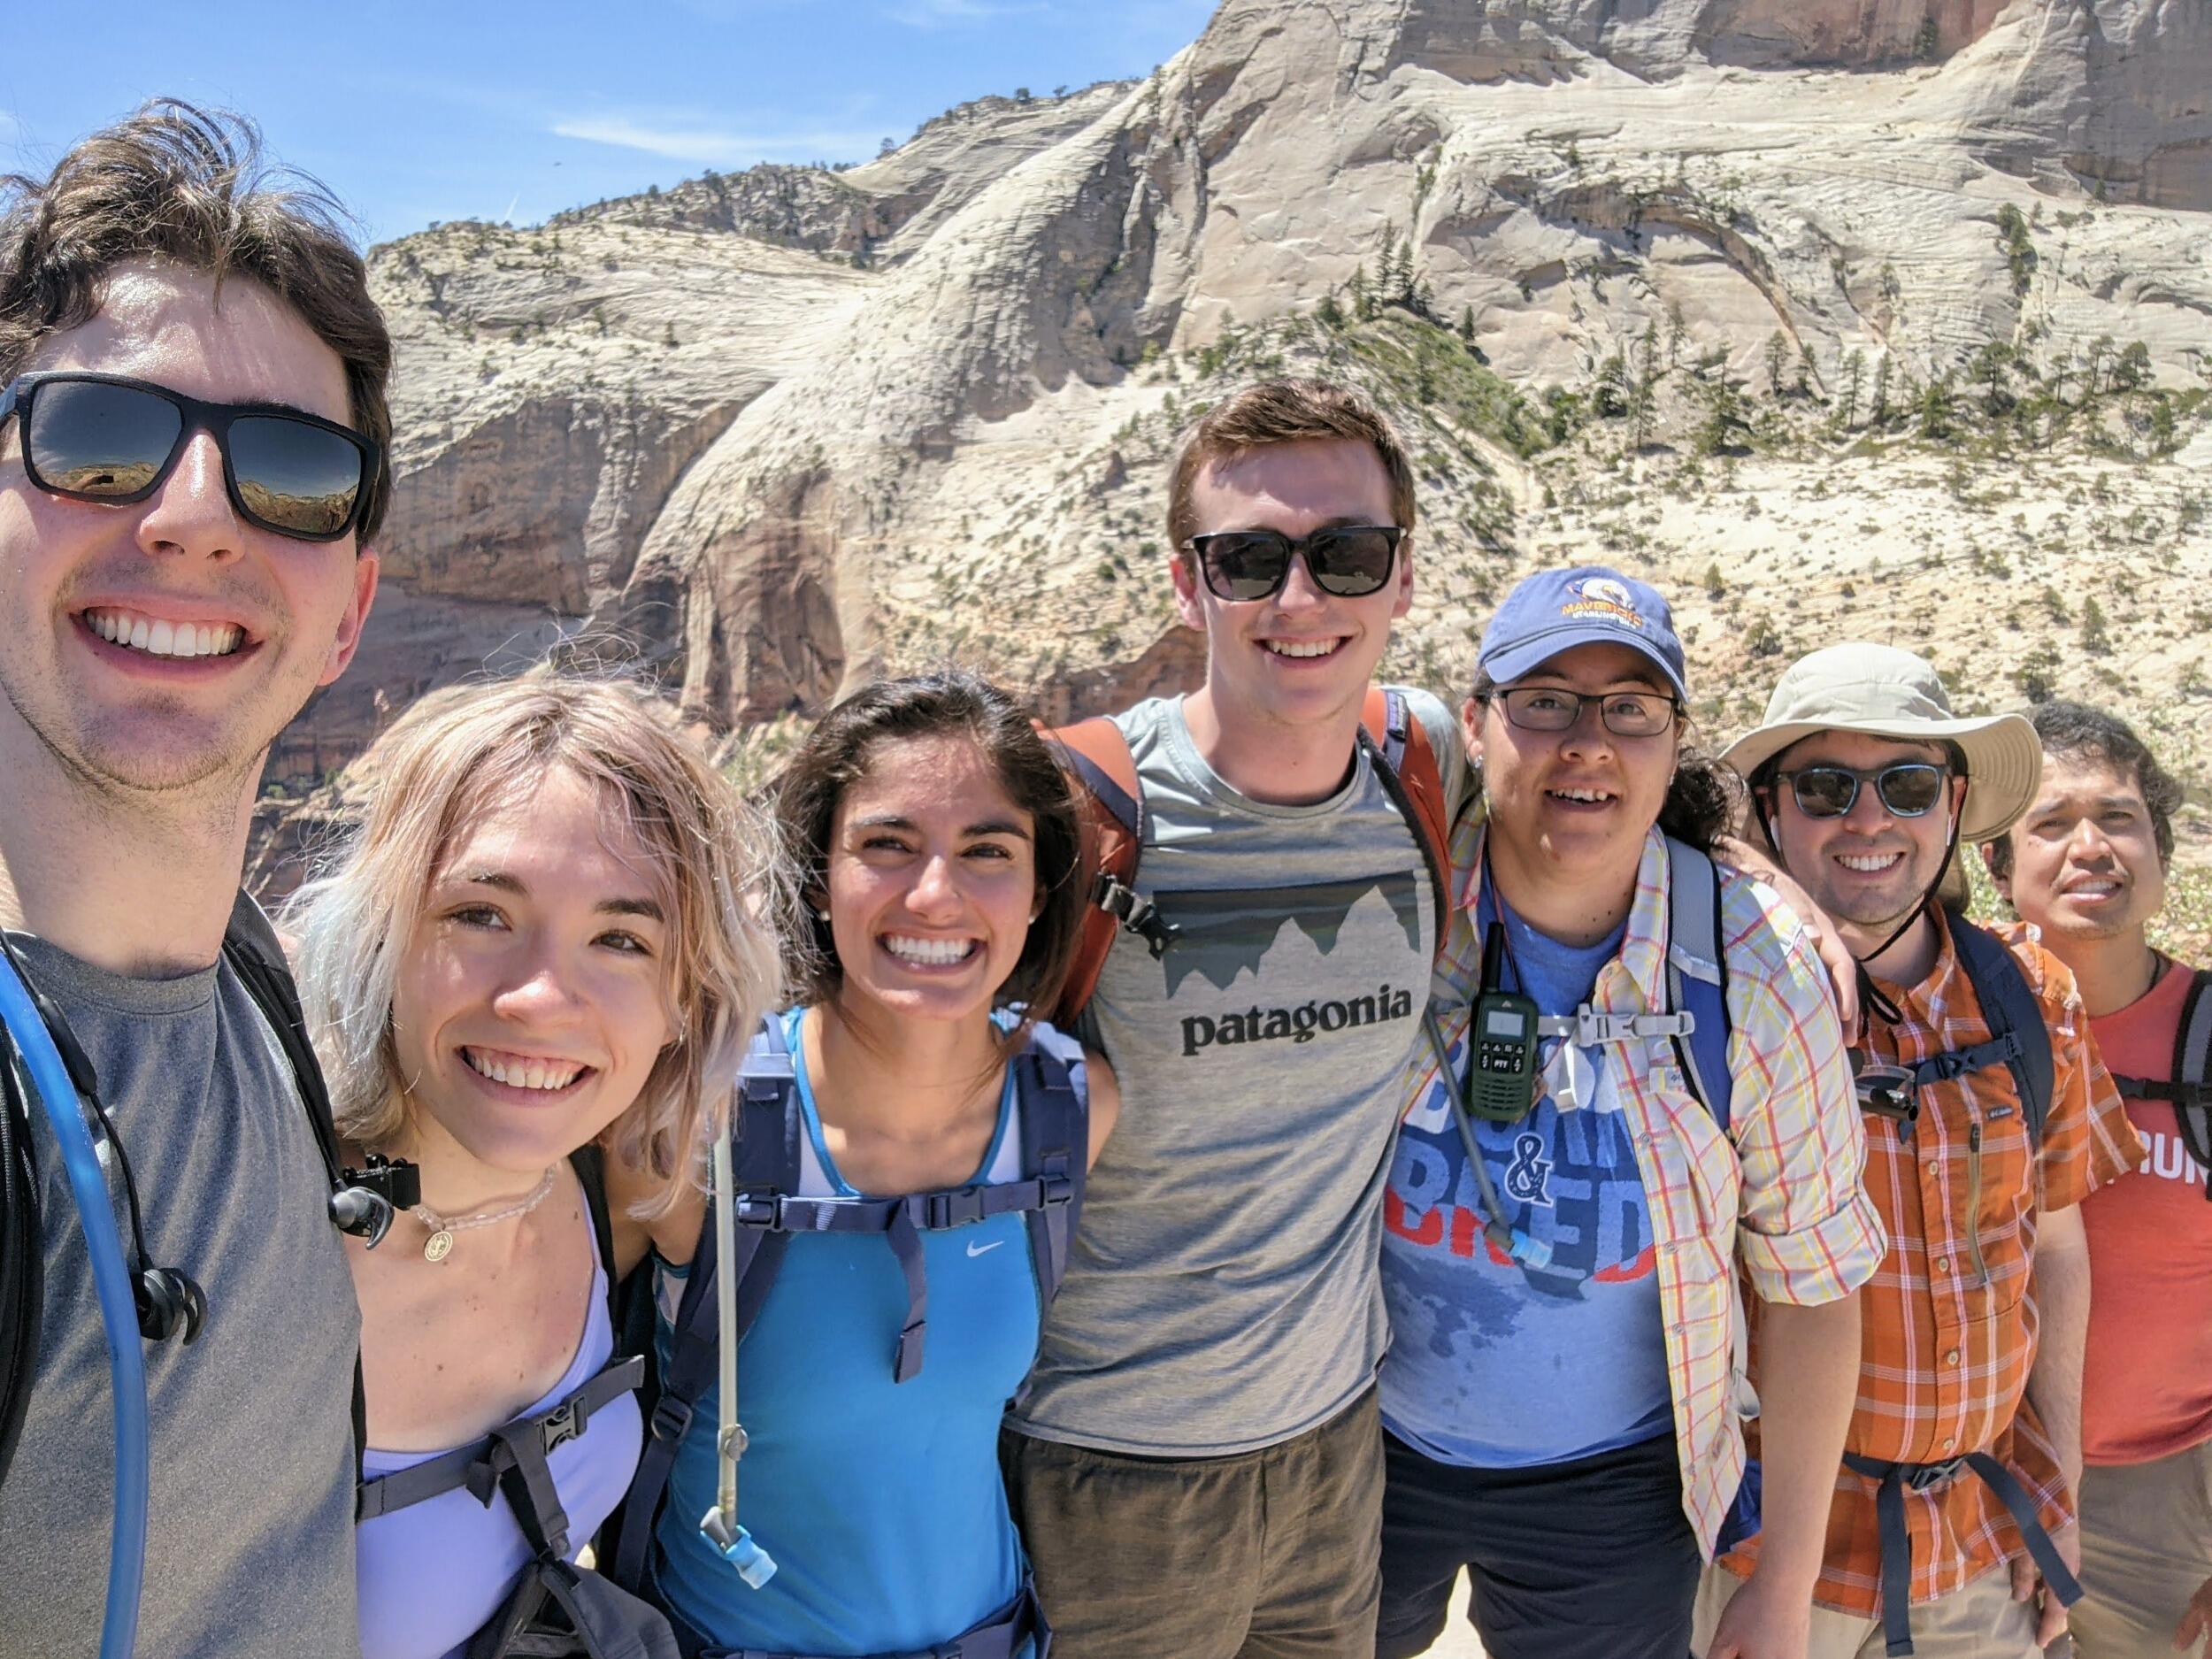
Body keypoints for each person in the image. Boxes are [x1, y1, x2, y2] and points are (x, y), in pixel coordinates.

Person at [0, 103, 386, 1657]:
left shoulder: (253, 981)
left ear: (352, 611)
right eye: (97, 438)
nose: (193, 517)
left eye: (292, 472)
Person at [1002, 378, 1469, 1659]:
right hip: (1106, 1468)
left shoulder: (1422, 766)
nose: (1300, 599)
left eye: (1346, 554)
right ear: (1186, 583)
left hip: (1336, 1450)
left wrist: (1763, 877)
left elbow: (1595, 815)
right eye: (1249, 560)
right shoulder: (1079, 806)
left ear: (1402, 578)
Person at [1377, 567, 1882, 1659]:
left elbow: (1813, 1290)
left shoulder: (1754, 968)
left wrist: (1783, 1584)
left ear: (1672, 741)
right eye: (1545, 702)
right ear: (1476, 724)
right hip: (1366, 1452)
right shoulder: (1395, 893)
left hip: (1617, 1486)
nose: (1587, 744)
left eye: (1630, 710)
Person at [610, 669, 1119, 1659]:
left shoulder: (1070, 1109)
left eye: (988, 851)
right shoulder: (694, 1127)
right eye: (887, 845)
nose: (935, 896)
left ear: (1037, 891)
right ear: (818, 876)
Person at [284, 676, 784, 1658]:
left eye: (621, 939)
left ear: (684, 1000)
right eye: (480, 914)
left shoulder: (606, 1189)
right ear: (383, 934)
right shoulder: (268, 1250)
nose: (540, 998)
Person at [1702, 646, 2144, 1659]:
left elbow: (2055, 1251)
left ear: (1952, 803)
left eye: (1904, 785)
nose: (1867, 820)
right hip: (1760, 1555)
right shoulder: (1719, 999)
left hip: (1979, 1540)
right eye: (1824, 787)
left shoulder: (2029, 1001)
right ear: (1771, 809)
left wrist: (2059, 1483)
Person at [1983, 701, 2212, 1659]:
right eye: (2051, 822)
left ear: (2160, 850)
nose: (2091, 846)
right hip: (1971, 1488)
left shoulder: (2205, 1036)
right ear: (1995, 863)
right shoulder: (1943, 1027)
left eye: (2119, 817)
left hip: (2167, 1499)